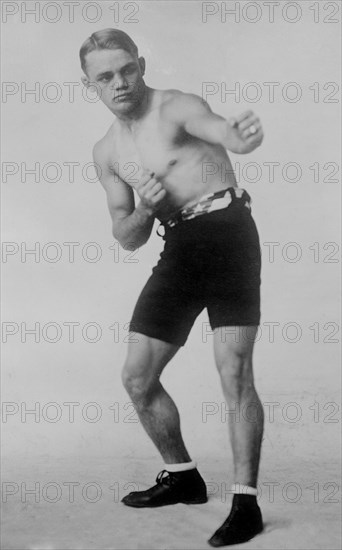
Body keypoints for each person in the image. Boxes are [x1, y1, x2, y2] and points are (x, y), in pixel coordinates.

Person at [80, 28, 264, 547]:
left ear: (140, 63)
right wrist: (143, 210)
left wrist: (240, 136)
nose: (119, 82)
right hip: (178, 243)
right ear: (89, 85)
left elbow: (222, 130)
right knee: (137, 378)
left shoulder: (176, 106)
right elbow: (125, 237)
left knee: (233, 371)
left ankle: (245, 502)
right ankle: (182, 476)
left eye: (126, 69)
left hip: (227, 233)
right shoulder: (107, 151)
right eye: (105, 76)